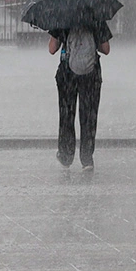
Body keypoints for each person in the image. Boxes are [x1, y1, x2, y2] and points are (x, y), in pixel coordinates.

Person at [49, 21, 112, 171]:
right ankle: (87, 158)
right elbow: (106, 49)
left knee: (66, 116)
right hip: (91, 75)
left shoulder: (61, 18)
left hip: (67, 75)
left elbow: (52, 49)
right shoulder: (96, 18)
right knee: (89, 116)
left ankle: (65, 156)